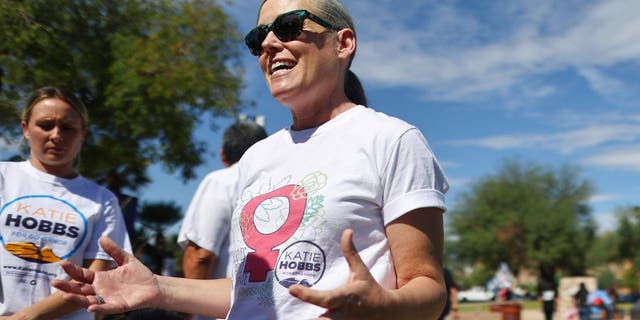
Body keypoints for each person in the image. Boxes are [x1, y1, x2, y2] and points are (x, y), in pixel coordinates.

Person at [52, 0, 449, 319]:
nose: (270, 44)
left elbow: (427, 288)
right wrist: (158, 288)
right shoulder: (258, 157)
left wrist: (383, 307)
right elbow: (252, 292)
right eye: (259, 37)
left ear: (343, 43)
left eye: (290, 26)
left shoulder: (392, 139)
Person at [0, 86, 132, 319]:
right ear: (25, 129)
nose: (56, 135)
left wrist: (23, 318)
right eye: (45, 125)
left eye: (68, 128)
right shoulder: (3, 176)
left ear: (83, 135)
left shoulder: (102, 201)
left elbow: (97, 280)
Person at [177, 121, 267, 320]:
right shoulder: (278, 184)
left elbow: (201, 254)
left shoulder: (222, 181)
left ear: (223, 155)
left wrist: (186, 315)